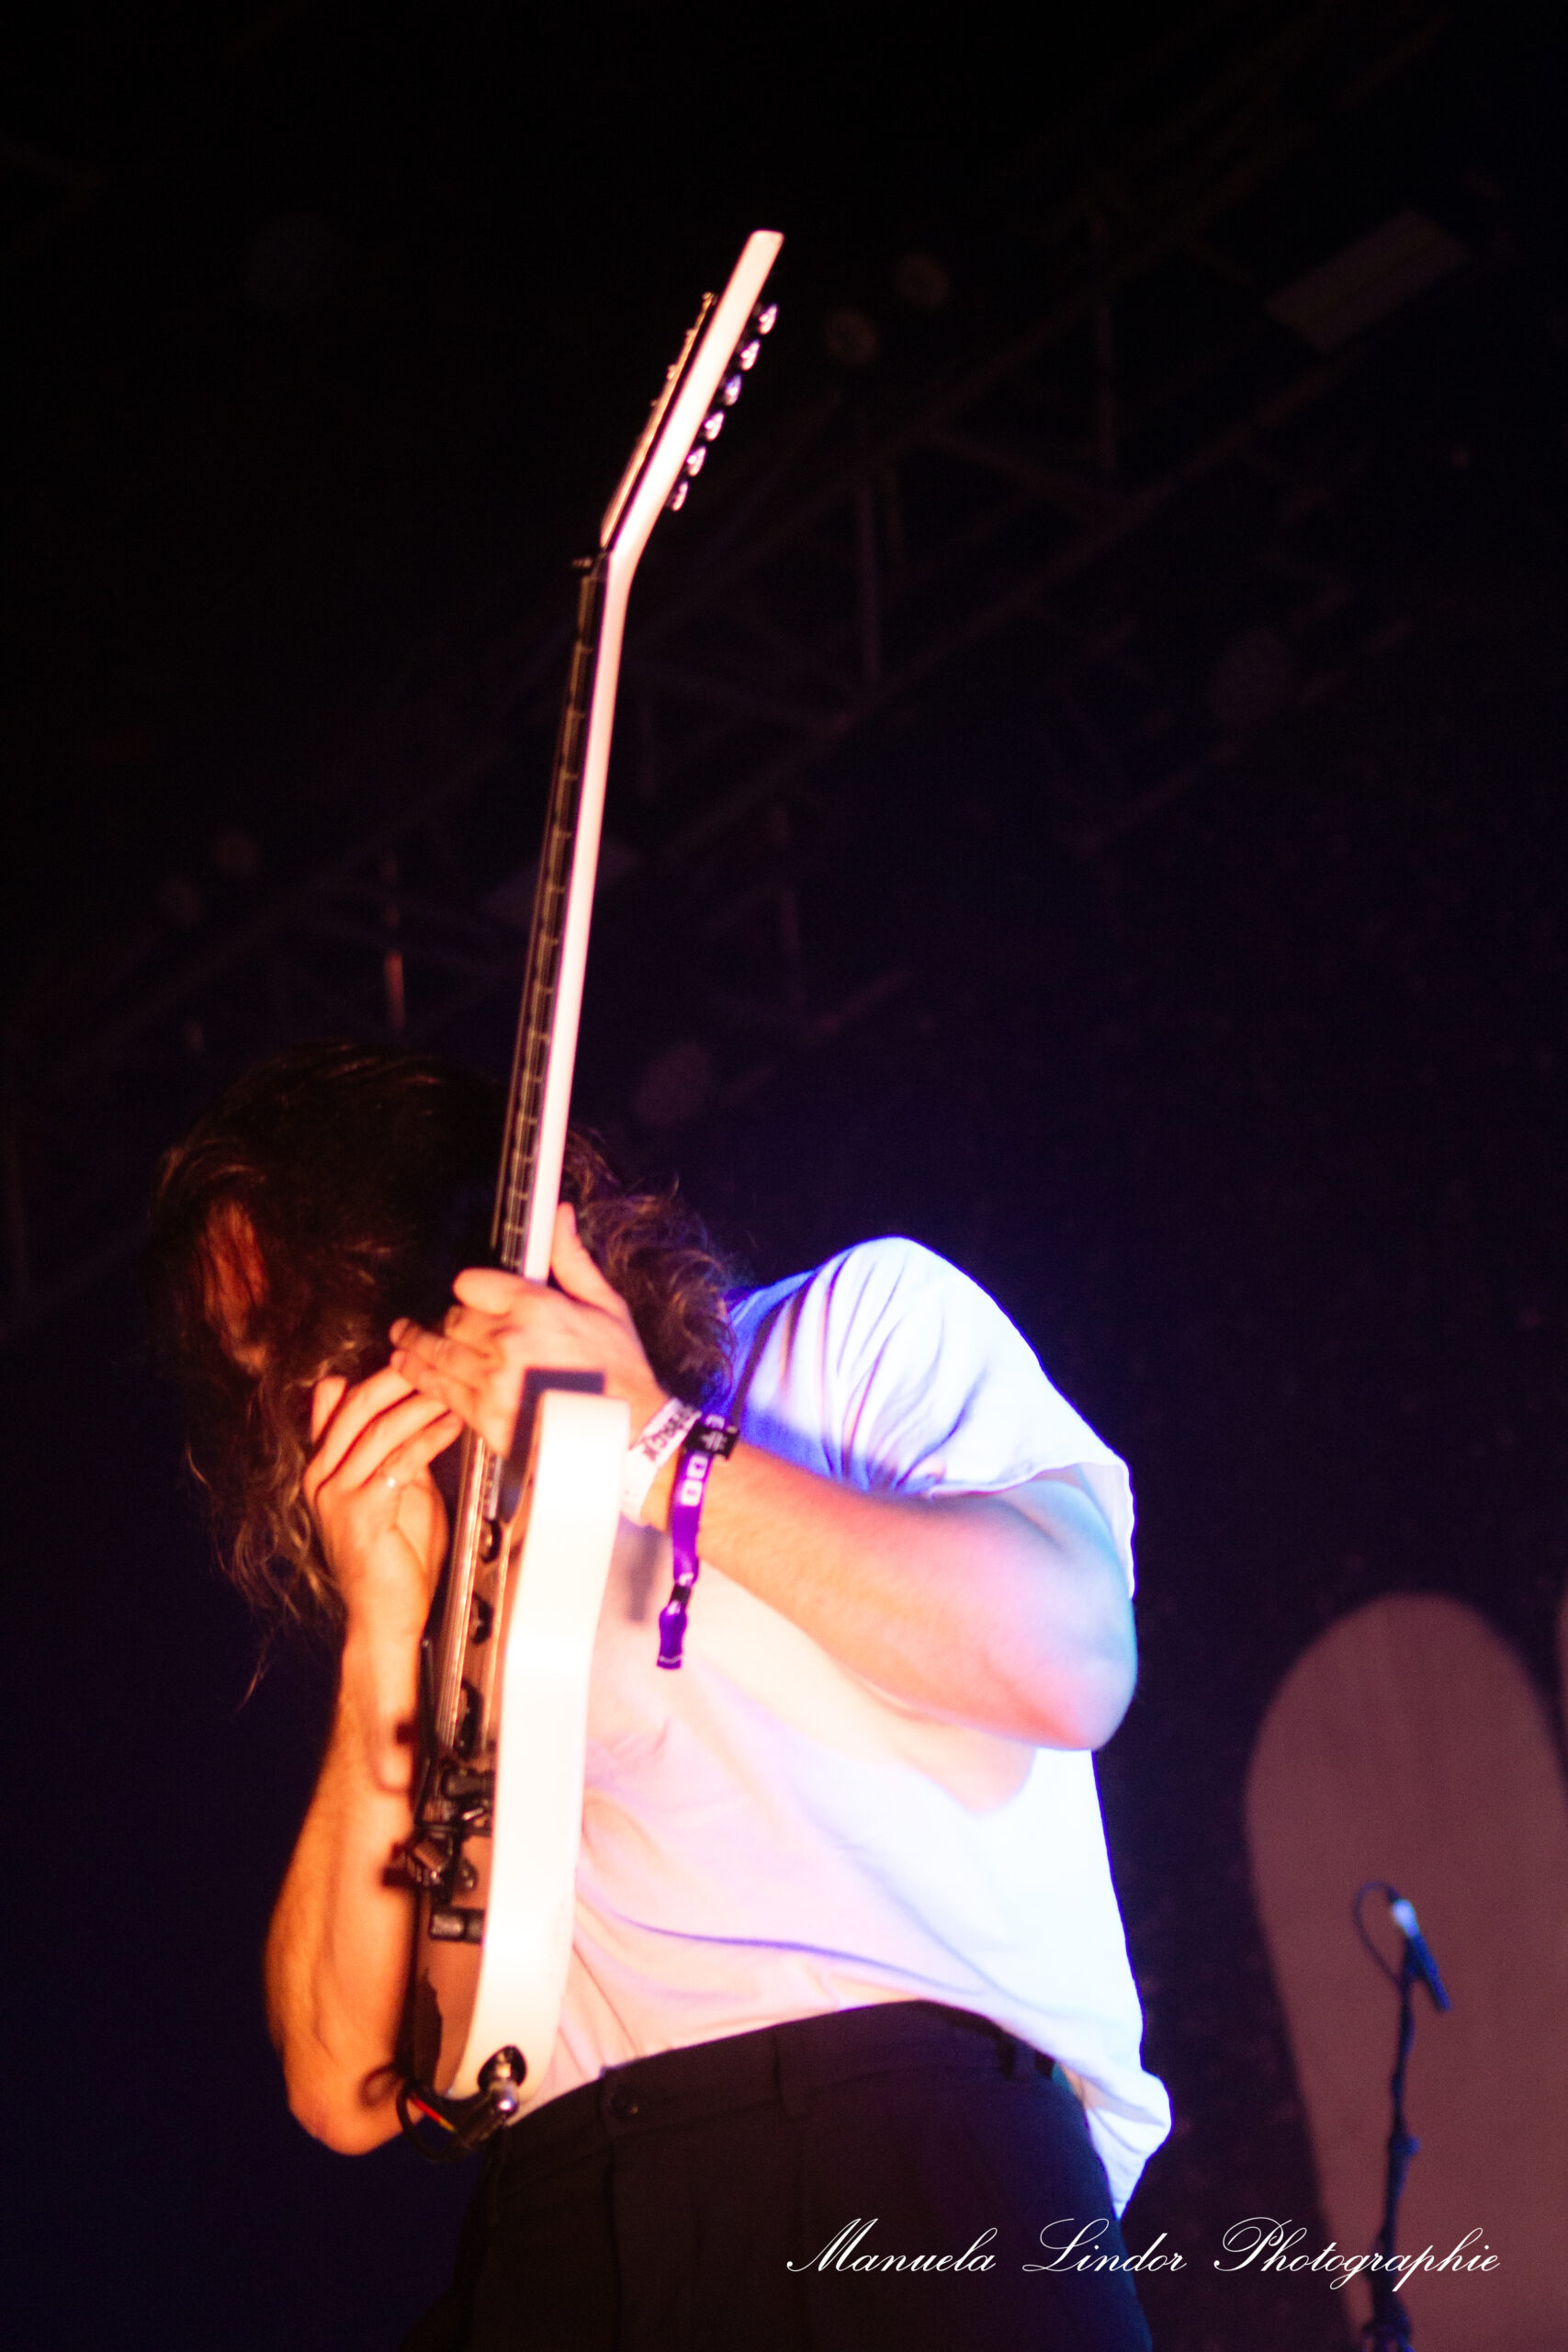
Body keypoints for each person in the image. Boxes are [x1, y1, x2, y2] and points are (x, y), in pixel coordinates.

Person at [149, 1040, 1169, 2350]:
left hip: (905, 2165)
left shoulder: (848, 1328)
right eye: (262, 1374)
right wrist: (383, 1636)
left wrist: (649, 1446)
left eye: (311, 1328)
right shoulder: (455, 1611)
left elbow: (1071, 1660)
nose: (312, 1402)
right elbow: (341, 2085)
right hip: (567, 2223)